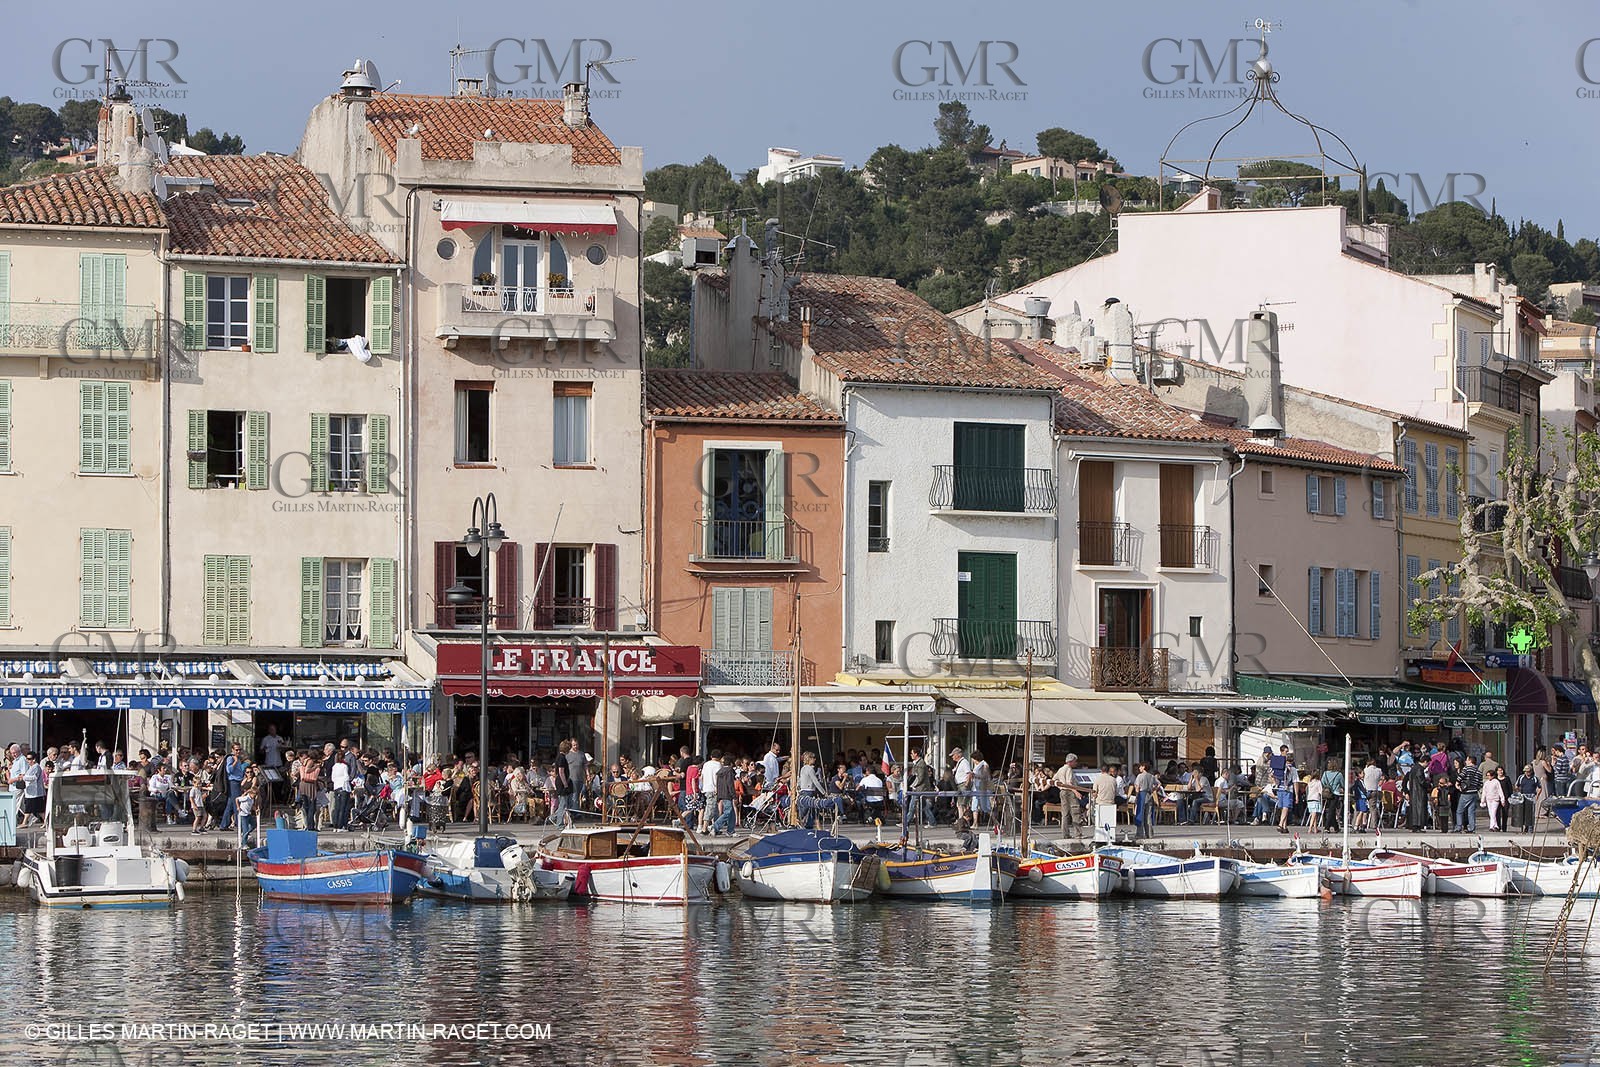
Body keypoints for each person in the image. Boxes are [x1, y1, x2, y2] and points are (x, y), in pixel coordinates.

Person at [1090, 761, 1121, 844]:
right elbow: (1116, 792)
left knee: (1096, 819)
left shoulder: (1098, 779)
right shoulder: (1113, 780)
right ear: (1108, 771)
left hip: (1100, 803)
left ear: (1101, 770)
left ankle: (1098, 836)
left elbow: (1094, 793)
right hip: (1111, 803)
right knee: (1110, 823)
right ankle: (1110, 837)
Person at [1133, 762, 1163, 837]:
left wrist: (1137, 797)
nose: (1139, 768)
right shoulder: (1151, 776)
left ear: (1144, 767)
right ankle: (1149, 833)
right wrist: (1154, 789)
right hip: (1149, 795)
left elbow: (1137, 787)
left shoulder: (1140, 776)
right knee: (1148, 815)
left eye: (1140, 767)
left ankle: (1140, 834)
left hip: (1141, 794)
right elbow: (1159, 783)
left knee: (1140, 814)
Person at [1454, 755, 1482, 833]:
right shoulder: (1478, 771)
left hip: (1466, 793)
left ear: (1470, 761)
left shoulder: (1466, 769)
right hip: (1474, 793)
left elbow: (1460, 777)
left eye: (1467, 760)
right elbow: (1480, 783)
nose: (1465, 762)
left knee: (1459, 811)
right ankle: (1471, 828)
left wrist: (1457, 784)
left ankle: (1458, 827)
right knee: (1471, 811)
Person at [1515, 765, 1539, 832]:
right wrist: (1518, 792)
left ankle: (1531, 828)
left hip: (1531, 796)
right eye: (1526, 771)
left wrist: (1537, 796)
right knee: (1523, 812)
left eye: (1528, 771)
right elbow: (1516, 785)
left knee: (1531, 812)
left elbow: (1539, 787)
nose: (1527, 773)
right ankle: (1525, 827)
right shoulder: (1521, 777)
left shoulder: (1535, 778)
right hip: (1523, 795)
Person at [1483, 764, 1507, 831]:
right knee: (1490, 813)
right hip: (1488, 799)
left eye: (1489, 775)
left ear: (1493, 776)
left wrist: (1502, 799)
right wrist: (1483, 800)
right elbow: (1484, 792)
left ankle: (1491, 826)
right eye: (1487, 775)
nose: (1488, 777)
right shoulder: (1486, 783)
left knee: (1493, 812)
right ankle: (1496, 825)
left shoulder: (1496, 782)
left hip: (1495, 799)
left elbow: (1500, 791)